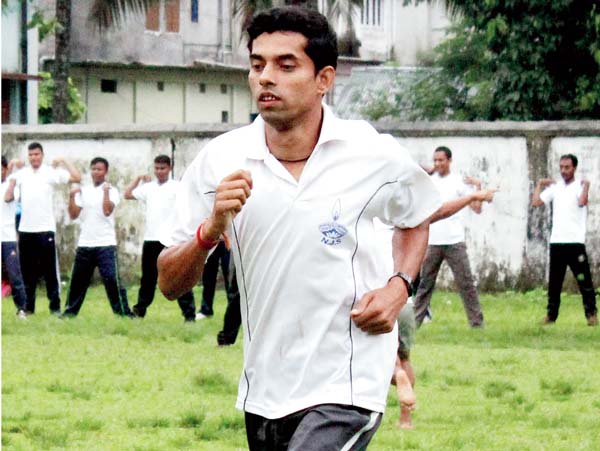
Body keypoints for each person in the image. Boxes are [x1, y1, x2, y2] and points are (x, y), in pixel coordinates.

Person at [157, 7, 441, 450]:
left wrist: (398, 288)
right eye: (257, 65)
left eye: (285, 65)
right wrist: (209, 230)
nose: (266, 77)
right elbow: (170, 283)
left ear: (323, 79)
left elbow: (416, 214)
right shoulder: (220, 160)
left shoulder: (371, 154)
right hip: (265, 388)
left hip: (348, 380)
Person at [381, 188, 497, 429]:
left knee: (384, 358)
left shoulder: (365, 221)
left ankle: (396, 374)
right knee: (405, 356)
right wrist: (471, 197)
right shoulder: (404, 220)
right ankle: (406, 419)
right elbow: (441, 210)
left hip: (381, 300)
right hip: (405, 302)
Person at [413, 146, 485, 328]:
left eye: (441, 160)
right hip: (432, 241)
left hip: (454, 241)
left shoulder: (458, 181)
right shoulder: (428, 181)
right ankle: (415, 323)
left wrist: (478, 187)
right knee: (424, 285)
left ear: (449, 161)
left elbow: (476, 208)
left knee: (466, 284)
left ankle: (476, 323)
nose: (438, 164)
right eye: (435, 160)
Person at [124, 155, 196, 322]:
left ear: (169, 169)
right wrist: (138, 179)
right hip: (151, 239)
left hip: (171, 239)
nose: (159, 171)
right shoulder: (148, 188)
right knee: (148, 278)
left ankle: (189, 314)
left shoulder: (178, 187)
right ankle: (140, 310)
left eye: (162, 168)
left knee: (180, 276)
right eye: (156, 168)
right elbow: (127, 194)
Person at [12, 142, 81, 315]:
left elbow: (76, 177)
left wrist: (64, 160)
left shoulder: (50, 173)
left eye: (37, 154)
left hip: (45, 229)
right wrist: (13, 164)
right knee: (28, 273)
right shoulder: (22, 174)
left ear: (42, 155)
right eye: (31, 155)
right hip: (26, 229)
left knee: (50, 272)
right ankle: (29, 308)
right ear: (28, 157)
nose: (34, 157)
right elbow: (7, 183)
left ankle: (55, 307)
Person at [532, 154, 597, 326]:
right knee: (555, 282)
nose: (563, 171)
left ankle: (591, 314)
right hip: (557, 242)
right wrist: (539, 185)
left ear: (574, 168)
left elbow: (582, 202)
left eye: (567, 167)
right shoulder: (556, 187)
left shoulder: (579, 186)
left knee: (584, 280)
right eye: (561, 167)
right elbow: (536, 202)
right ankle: (551, 315)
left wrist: (586, 188)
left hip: (575, 242)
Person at [62, 157, 132, 317]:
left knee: (112, 279)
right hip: (85, 243)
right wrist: (72, 196)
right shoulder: (84, 190)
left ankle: (123, 312)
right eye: (93, 169)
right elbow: (73, 214)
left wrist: (106, 192)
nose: (96, 172)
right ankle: (69, 312)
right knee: (77, 281)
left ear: (105, 172)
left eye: (99, 169)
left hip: (105, 244)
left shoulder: (112, 190)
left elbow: (107, 210)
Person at [1, 156, 28, 318]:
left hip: (7, 238)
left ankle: (21, 309)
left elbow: (7, 198)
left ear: (5, 170)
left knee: (14, 274)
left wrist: (11, 180)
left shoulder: (13, 187)